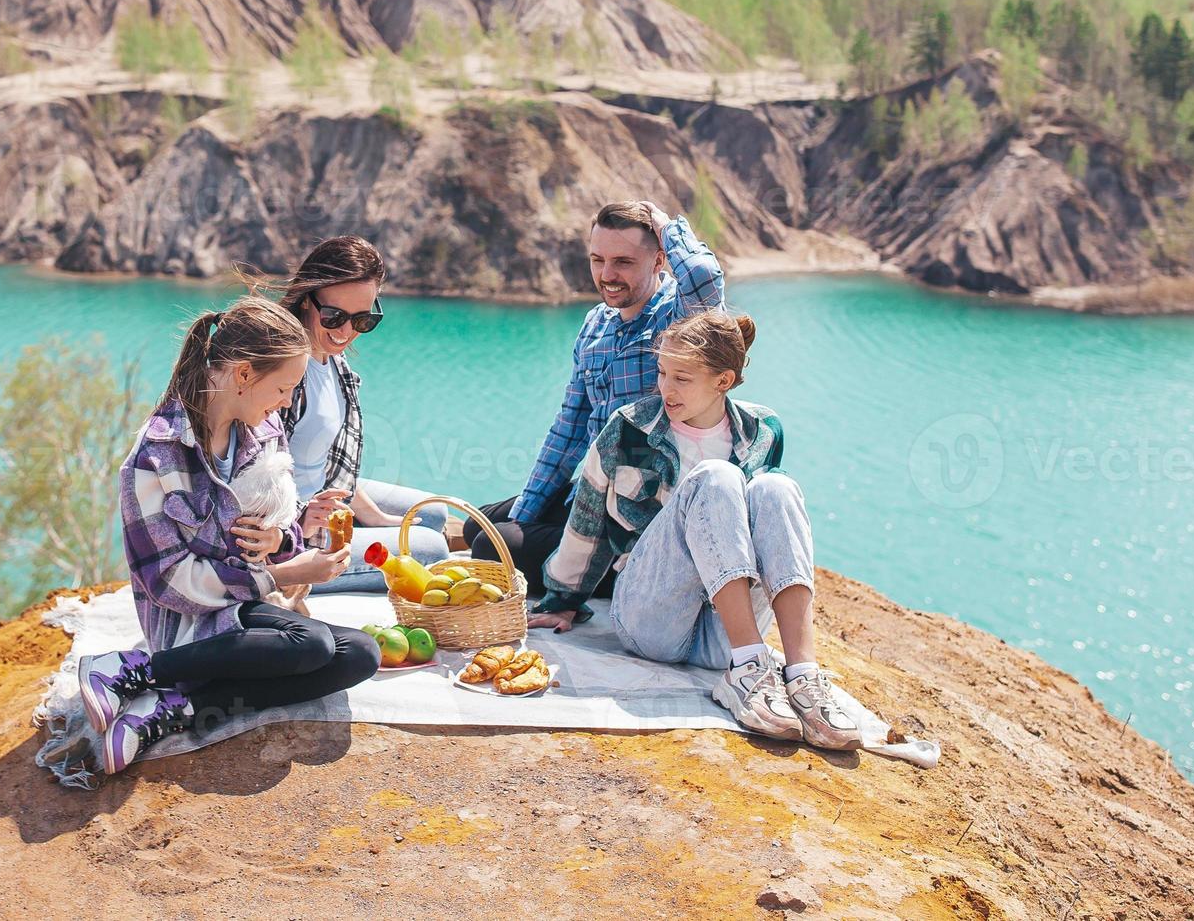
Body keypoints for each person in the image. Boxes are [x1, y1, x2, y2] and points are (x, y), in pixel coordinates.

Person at [535, 310, 865, 749]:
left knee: (776, 488)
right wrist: (564, 599)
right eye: (662, 373)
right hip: (651, 619)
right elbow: (588, 519)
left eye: (682, 378)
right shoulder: (630, 428)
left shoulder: (764, 430)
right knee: (715, 478)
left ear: (723, 381)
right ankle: (749, 669)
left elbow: (765, 528)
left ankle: (802, 675)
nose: (665, 389)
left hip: (721, 635)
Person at [77, 296, 380, 774]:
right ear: (243, 375)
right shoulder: (156, 456)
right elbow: (169, 583)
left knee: (361, 654)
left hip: (248, 615)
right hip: (189, 631)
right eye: (282, 389)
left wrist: (289, 536)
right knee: (313, 645)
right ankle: (130, 670)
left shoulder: (263, 430)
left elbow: (279, 527)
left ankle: (173, 709)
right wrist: (277, 577)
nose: (285, 402)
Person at [464, 199, 725, 615]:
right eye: (598, 259)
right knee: (480, 525)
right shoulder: (596, 324)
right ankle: (546, 543)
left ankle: (606, 577)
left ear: (659, 260)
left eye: (623, 261)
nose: (607, 275)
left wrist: (662, 223)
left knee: (489, 548)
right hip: (592, 493)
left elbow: (703, 276)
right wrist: (527, 513)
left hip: (636, 519)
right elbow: (568, 429)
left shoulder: (679, 321)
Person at [265, 236, 449, 593]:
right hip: (295, 531)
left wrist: (373, 517)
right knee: (431, 549)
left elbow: (329, 461)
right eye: (334, 316)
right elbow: (251, 480)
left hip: (326, 494)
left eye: (363, 319)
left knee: (432, 514)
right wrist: (298, 522)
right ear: (306, 299)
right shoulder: (284, 372)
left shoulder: (333, 359)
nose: (346, 332)